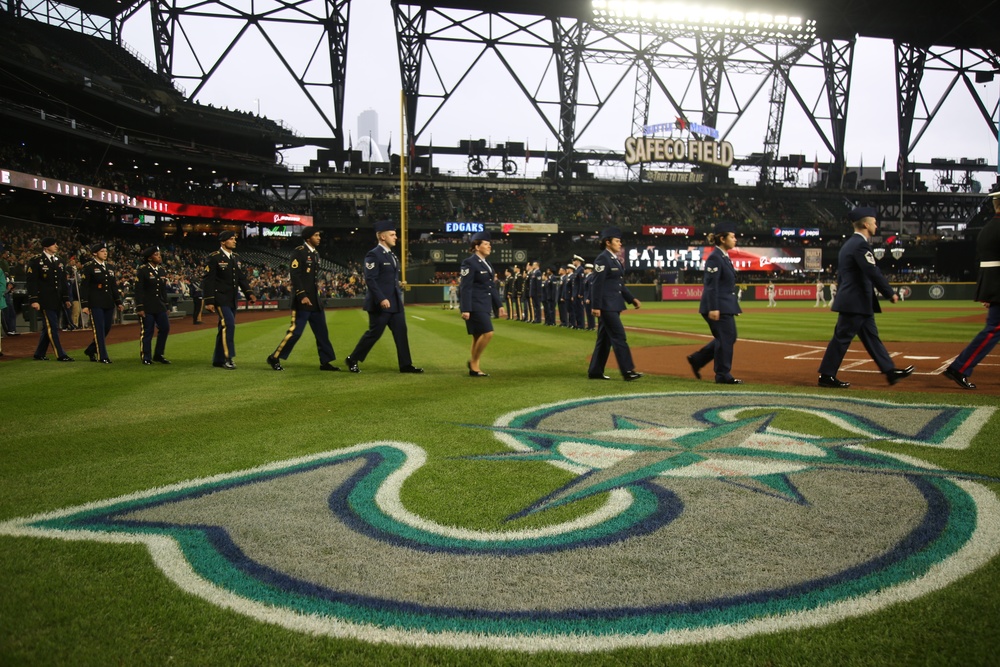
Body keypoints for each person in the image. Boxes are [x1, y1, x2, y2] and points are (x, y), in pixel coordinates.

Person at [817, 207, 913, 388]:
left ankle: (890, 371)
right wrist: (889, 292)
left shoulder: (848, 245)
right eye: (874, 222)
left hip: (857, 301)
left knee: (871, 337)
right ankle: (826, 375)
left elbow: (843, 276)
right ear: (866, 224)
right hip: (856, 301)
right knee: (842, 337)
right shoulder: (860, 245)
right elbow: (872, 271)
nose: (876, 225)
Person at [344, 221, 422, 374]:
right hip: (381, 303)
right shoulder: (373, 254)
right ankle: (353, 358)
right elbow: (370, 279)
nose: (396, 237)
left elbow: (385, 278)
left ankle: (406, 365)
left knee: (401, 333)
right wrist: (381, 298)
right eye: (392, 235)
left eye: (395, 234)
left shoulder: (391, 254)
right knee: (375, 333)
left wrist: (397, 283)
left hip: (395, 302)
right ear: (382, 236)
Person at [943, 190, 1000, 390]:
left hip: (993, 285)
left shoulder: (986, 228)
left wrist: (989, 290)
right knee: (994, 329)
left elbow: (982, 263)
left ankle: (959, 367)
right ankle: (960, 368)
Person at [267, 228, 340, 372]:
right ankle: (274, 357)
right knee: (296, 332)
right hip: (303, 300)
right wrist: (302, 295)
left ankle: (325, 362)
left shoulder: (316, 254)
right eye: (316, 235)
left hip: (314, 300)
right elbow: (295, 275)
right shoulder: (299, 252)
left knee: (322, 333)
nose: (319, 238)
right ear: (308, 238)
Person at [687, 222, 743, 384]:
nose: (735, 239)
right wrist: (713, 308)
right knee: (726, 337)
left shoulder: (724, 256)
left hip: (725, 305)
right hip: (716, 306)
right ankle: (722, 374)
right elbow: (711, 285)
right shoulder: (715, 257)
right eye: (732, 237)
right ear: (722, 239)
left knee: (727, 337)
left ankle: (698, 359)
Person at [587, 227, 642, 381]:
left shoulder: (614, 259)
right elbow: (597, 284)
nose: (620, 243)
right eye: (617, 241)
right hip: (606, 306)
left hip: (613, 304)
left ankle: (595, 371)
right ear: (607, 242)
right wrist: (596, 306)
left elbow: (618, 284)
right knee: (619, 336)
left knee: (604, 339)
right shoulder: (602, 259)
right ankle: (628, 371)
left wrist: (631, 299)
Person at [203, 231, 256, 369]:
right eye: (231, 239)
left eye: (234, 239)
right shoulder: (214, 257)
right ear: (223, 242)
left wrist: (249, 293)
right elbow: (208, 280)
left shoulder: (236, 258)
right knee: (229, 325)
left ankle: (218, 359)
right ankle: (228, 358)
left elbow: (241, 278)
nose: (234, 241)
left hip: (232, 299)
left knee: (224, 328)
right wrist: (209, 301)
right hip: (220, 298)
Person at [459, 231, 505, 376]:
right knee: (488, 333)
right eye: (486, 244)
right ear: (477, 247)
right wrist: (465, 308)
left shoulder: (488, 264)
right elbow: (465, 287)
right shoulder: (469, 262)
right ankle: (474, 362)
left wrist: (500, 305)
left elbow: (491, 287)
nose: (489, 246)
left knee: (478, 336)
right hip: (474, 304)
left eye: (489, 244)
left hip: (485, 304)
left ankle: (475, 368)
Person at [25, 237, 74, 361]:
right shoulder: (36, 261)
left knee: (48, 327)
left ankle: (39, 353)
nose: (56, 246)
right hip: (44, 300)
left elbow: (63, 281)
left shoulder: (60, 261)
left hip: (57, 299)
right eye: (54, 244)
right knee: (52, 326)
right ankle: (60, 354)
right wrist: (34, 299)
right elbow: (32, 282)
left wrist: (66, 298)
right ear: (46, 247)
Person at [79, 243, 124, 364]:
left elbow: (113, 286)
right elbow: (84, 287)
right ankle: (102, 355)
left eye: (106, 251)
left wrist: (118, 302)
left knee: (106, 328)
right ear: (95, 253)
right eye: (102, 251)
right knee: (99, 329)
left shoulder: (109, 267)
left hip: (108, 302)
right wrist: (85, 305)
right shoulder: (89, 267)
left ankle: (90, 349)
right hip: (95, 303)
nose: (105, 253)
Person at [134, 246, 171, 365]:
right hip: (147, 306)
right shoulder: (142, 270)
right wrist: (139, 306)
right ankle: (146, 356)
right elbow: (138, 290)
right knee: (148, 331)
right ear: (149, 258)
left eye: (159, 254)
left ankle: (158, 354)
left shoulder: (161, 270)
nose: (159, 256)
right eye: (156, 254)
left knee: (165, 328)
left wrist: (166, 305)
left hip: (159, 305)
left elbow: (162, 290)